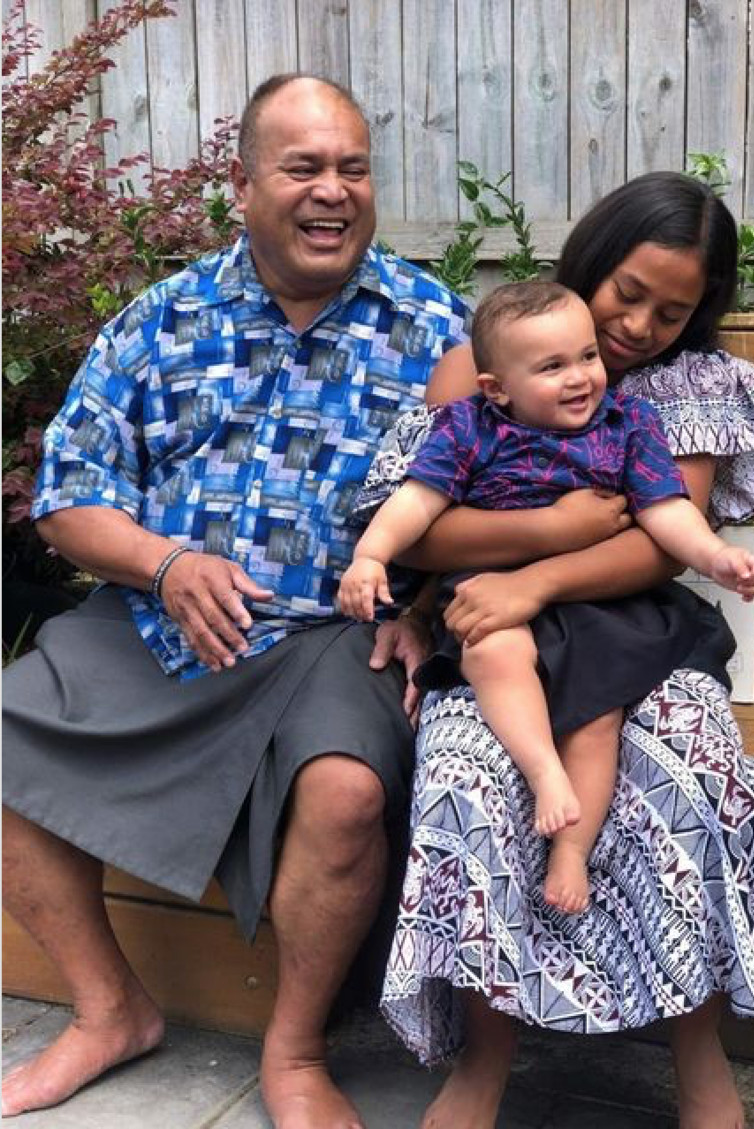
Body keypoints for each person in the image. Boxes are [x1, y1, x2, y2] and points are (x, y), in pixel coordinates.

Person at [1, 74, 470, 1129]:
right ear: (244, 184)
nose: (333, 191)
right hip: (163, 627)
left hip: (339, 638)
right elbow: (69, 498)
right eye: (304, 167)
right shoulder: (160, 322)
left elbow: (505, 482)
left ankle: (295, 1051)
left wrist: (428, 603)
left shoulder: (437, 326)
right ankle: (108, 1007)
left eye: (353, 168)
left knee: (348, 789)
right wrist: (166, 565)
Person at [363, 172, 754, 1129]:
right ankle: (484, 1061)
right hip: (495, 631)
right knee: (469, 777)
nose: (641, 325)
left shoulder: (691, 390)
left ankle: (700, 1058)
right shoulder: (475, 373)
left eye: (673, 309)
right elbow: (424, 530)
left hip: (635, 631)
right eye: (628, 292)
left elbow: (659, 534)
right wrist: (528, 547)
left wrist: (535, 576)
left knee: (690, 767)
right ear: (593, 262)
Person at [340, 280, 754, 915]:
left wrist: (715, 556)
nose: (581, 378)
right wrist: (370, 557)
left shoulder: (627, 425)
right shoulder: (466, 429)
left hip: (598, 608)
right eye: (552, 367)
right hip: (493, 594)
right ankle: (543, 770)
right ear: (496, 388)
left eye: (587, 357)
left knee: (597, 713)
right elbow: (415, 504)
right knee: (489, 654)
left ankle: (570, 851)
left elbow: (666, 510)